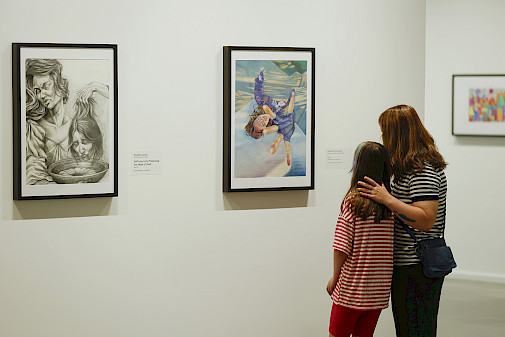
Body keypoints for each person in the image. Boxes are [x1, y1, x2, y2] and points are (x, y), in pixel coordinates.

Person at [357, 105, 448, 337]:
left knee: (416, 329)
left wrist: (387, 199)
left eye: (385, 131)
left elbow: (426, 219)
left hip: (416, 266)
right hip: (407, 264)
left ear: (397, 134)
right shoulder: (409, 169)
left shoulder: (423, 170)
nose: (383, 137)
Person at [326, 141, 395, 337]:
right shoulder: (390, 205)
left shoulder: (353, 202)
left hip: (352, 287)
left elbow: (341, 247)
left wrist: (335, 276)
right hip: (378, 289)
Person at [25, 58, 108, 184]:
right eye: (37, 91)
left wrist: (95, 87)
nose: (41, 95)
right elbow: (34, 174)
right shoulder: (34, 128)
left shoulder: (78, 126)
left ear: (59, 83)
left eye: (46, 86)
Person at [244, 69, 295, 166]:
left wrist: (260, 78)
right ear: (265, 126)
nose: (263, 119)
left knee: (260, 98)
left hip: (274, 91)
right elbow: (286, 120)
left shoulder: (261, 104)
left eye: (259, 119)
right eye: (263, 124)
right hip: (286, 98)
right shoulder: (275, 122)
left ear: (256, 117)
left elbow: (258, 90)